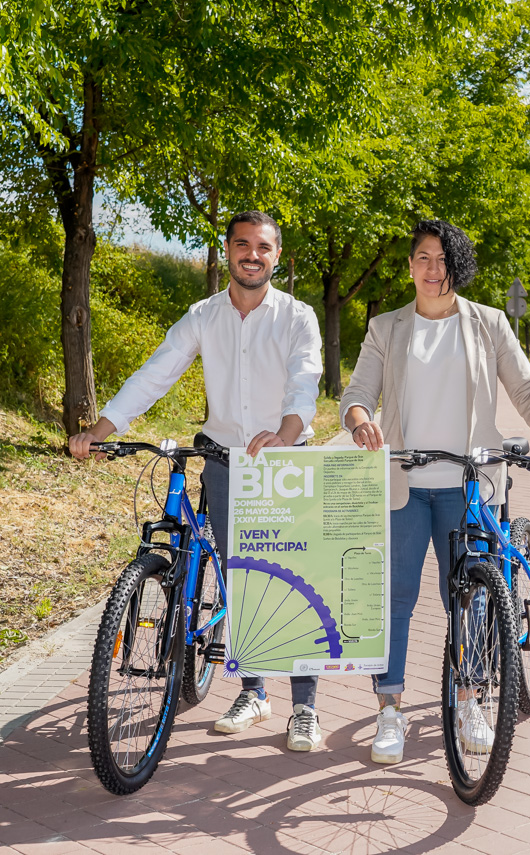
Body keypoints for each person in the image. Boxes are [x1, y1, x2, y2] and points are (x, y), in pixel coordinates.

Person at [68, 211, 327, 752]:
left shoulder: (298, 317)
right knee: (240, 574)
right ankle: (255, 692)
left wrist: (286, 430)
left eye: (262, 246)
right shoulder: (204, 315)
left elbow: (305, 380)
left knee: (290, 580)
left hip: (283, 462)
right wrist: (103, 426)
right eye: (241, 245)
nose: (251, 254)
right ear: (227, 250)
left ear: (277, 256)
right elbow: (158, 371)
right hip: (224, 459)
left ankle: (304, 706)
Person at [340, 219, 530, 765]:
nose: (432, 268)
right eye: (423, 257)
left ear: (456, 266)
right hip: (404, 484)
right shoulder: (386, 328)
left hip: (469, 485)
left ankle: (469, 699)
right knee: (394, 599)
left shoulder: (488, 324)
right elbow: (357, 393)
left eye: (443, 259)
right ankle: (389, 710)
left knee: (466, 598)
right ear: (410, 264)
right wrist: (357, 422)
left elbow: (526, 384)